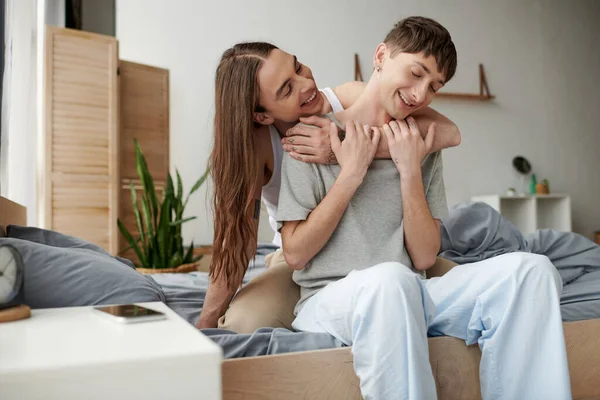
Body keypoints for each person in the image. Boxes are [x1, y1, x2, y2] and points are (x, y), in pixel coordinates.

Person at [277, 16, 571, 400]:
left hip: (410, 290)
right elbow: (295, 254)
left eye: (434, 86)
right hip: (330, 301)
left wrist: (409, 170)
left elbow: (424, 254)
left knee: (532, 270)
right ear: (381, 56)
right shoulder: (314, 137)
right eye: (416, 73)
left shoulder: (419, 146)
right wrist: (351, 169)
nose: (420, 94)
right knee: (390, 281)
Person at [198, 40, 461, 329]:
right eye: (287, 88)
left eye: (298, 66)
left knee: (478, 291)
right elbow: (239, 240)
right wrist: (206, 320)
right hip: (308, 259)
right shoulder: (257, 146)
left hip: (391, 250)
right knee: (243, 325)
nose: (306, 84)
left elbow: (449, 133)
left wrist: (341, 143)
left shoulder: (346, 97)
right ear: (262, 115)